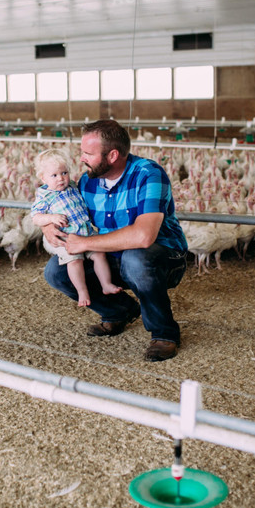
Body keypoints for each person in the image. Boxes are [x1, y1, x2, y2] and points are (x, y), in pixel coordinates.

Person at [40, 119, 188, 362]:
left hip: (163, 257)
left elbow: (143, 236)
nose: (81, 159)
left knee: (136, 258)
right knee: (56, 272)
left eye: (88, 153)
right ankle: (120, 311)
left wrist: (86, 244)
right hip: (112, 255)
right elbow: (60, 205)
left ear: (112, 155)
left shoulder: (148, 175)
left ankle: (164, 333)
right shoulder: (87, 181)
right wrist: (47, 225)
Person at [30, 149, 122, 307]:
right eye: (54, 175)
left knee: (99, 254)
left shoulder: (72, 186)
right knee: (74, 262)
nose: (61, 178)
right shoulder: (44, 196)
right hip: (68, 239)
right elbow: (36, 217)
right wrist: (50, 219)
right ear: (42, 178)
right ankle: (82, 291)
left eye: (64, 173)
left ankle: (106, 284)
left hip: (86, 233)